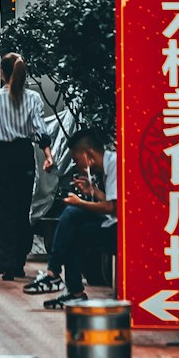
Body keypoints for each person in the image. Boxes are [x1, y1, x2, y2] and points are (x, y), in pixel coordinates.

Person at [0, 52, 54, 280]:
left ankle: (6, 263)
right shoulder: (33, 98)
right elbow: (41, 132)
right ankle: (19, 261)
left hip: (1, 156)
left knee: (4, 209)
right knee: (22, 209)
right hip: (23, 155)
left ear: (2, 73)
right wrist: (48, 155)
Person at [24, 128, 118, 307]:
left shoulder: (114, 165)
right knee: (72, 225)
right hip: (111, 224)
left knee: (72, 214)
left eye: (76, 160)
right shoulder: (107, 167)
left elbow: (113, 207)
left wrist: (80, 203)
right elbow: (113, 202)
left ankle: (53, 275)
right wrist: (93, 191)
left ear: (88, 153)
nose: (76, 165)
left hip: (119, 231)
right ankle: (73, 291)